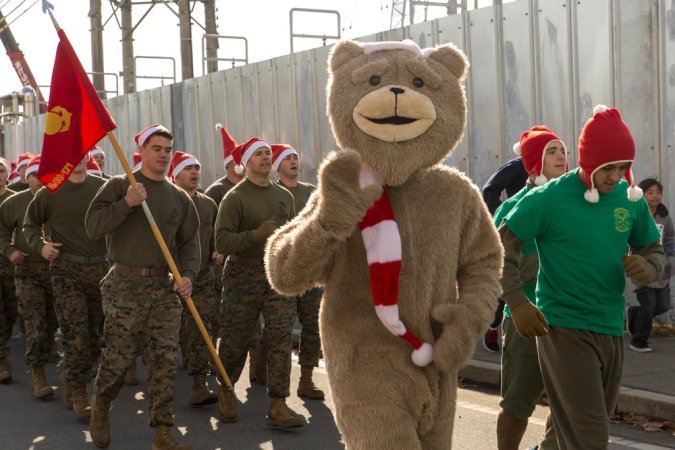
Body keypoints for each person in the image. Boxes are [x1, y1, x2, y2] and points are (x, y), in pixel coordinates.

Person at [499, 106, 665, 449]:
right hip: (562, 326)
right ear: (589, 161)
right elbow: (498, 250)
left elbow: (653, 250)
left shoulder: (629, 199)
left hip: (609, 326)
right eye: (608, 168)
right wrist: (517, 303)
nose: (616, 176)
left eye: (623, 168)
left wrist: (648, 267)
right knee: (588, 437)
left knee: (570, 432)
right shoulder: (546, 198)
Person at [85, 124, 199, 450]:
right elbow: (93, 226)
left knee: (163, 360)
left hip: (164, 289)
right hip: (124, 284)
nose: (163, 154)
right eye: (157, 148)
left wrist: (187, 274)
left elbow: (190, 241)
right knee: (119, 360)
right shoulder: (121, 185)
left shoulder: (178, 197)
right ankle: (102, 406)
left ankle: (162, 431)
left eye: (167, 149)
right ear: (142, 151)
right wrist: (127, 203)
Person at [214, 132, 302, 428]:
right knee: (236, 338)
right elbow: (222, 242)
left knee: (280, 337)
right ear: (246, 162)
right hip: (243, 273)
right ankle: (226, 390)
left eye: (267, 154)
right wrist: (255, 235)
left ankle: (278, 405)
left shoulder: (283, 196)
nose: (265, 158)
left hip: (274, 274)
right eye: (259, 154)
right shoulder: (234, 197)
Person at [493, 126, 567, 450]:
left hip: (569, 317)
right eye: (551, 151)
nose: (561, 156)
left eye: (563, 150)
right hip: (525, 316)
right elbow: (496, 264)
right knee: (516, 406)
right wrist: (520, 302)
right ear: (534, 161)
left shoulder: (577, 201)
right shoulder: (513, 208)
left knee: (571, 403)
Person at [23, 155, 108, 419]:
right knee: (76, 331)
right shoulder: (50, 192)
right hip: (65, 270)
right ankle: (81, 392)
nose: (79, 160)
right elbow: (30, 225)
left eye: (84, 155)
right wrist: (42, 246)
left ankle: (73, 379)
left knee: (95, 333)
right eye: (74, 155)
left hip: (100, 269)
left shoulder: (103, 187)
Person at [0, 156, 59, 398]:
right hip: (27, 271)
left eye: (44, 175)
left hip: (58, 272)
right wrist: (10, 250)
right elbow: (1, 232)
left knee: (53, 322)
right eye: (35, 175)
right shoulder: (14, 203)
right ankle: (37, 374)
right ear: (26, 177)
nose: (39, 180)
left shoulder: (60, 200)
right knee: (33, 323)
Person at [270, 143, 324, 400]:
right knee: (280, 328)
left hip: (310, 271)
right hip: (283, 272)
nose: (293, 162)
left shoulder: (312, 193)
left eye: (295, 157)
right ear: (277, 166)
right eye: (287, 158)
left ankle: (306, 379)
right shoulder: (271, 193)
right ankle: (277, 383)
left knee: (313, 325)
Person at [169, 150, 222, 406]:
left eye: (197, 168)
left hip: (200, 277)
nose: (194, 173)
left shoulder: (207, 204)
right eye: (188, 168)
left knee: (204, 327)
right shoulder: (167, 202)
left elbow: (211, 236)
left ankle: (199, 384)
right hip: (168, 280)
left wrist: (214, 251)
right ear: (176, 174)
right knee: (175, 330)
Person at [482, 156, 528, 352]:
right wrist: (503, 214)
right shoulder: (519, 165)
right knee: (506, 279)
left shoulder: (553, 170)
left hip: (539, 231)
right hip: (515, 230)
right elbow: (490, 188)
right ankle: (493, 325)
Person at [626, 178, 674, 352]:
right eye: (650, 192)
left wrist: (671, 259)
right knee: (649, 305)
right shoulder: (636, 213)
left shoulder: (664, 216)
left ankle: (634, 315)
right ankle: (638, 341)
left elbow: (669, 239)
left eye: (658, 192)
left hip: (662, 269)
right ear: (642, 194)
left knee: (662, 305)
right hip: (643, 266)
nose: (655, 196)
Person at [0, 157, 16, 383]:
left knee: (13, 310)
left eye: (1, 170)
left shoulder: (15, 200)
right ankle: (2, 359)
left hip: (11, 263)